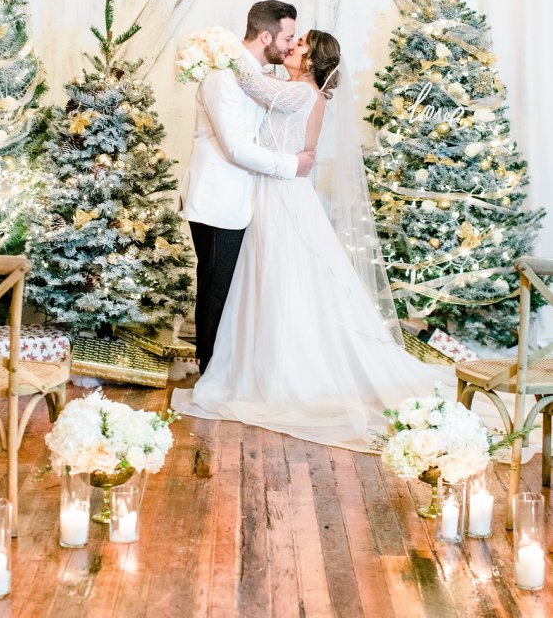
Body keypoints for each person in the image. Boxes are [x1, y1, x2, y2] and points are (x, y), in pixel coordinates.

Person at [173, 30, 450, 451]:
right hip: (270, 189)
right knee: (269, 281)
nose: (290, 47)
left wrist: (214, 50)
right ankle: (256, 361)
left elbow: (248, 82)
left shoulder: (303, 93)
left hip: (280, 194)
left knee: (282, 278)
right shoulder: (295, 91)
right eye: (292, 40)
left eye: (299, 44)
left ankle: (283, 371)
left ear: (314, 60)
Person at [179, 1, 316, 375]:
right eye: (288, 37)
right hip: (219, 199)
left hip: (243, 201)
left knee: (232, 292)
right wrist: (293, 165)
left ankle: (228, 370)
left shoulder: (252, 78)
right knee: (216, 291)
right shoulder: (223, 77)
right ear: (266, 35)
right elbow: (236, 147)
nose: (290, 46)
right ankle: (210, 375)